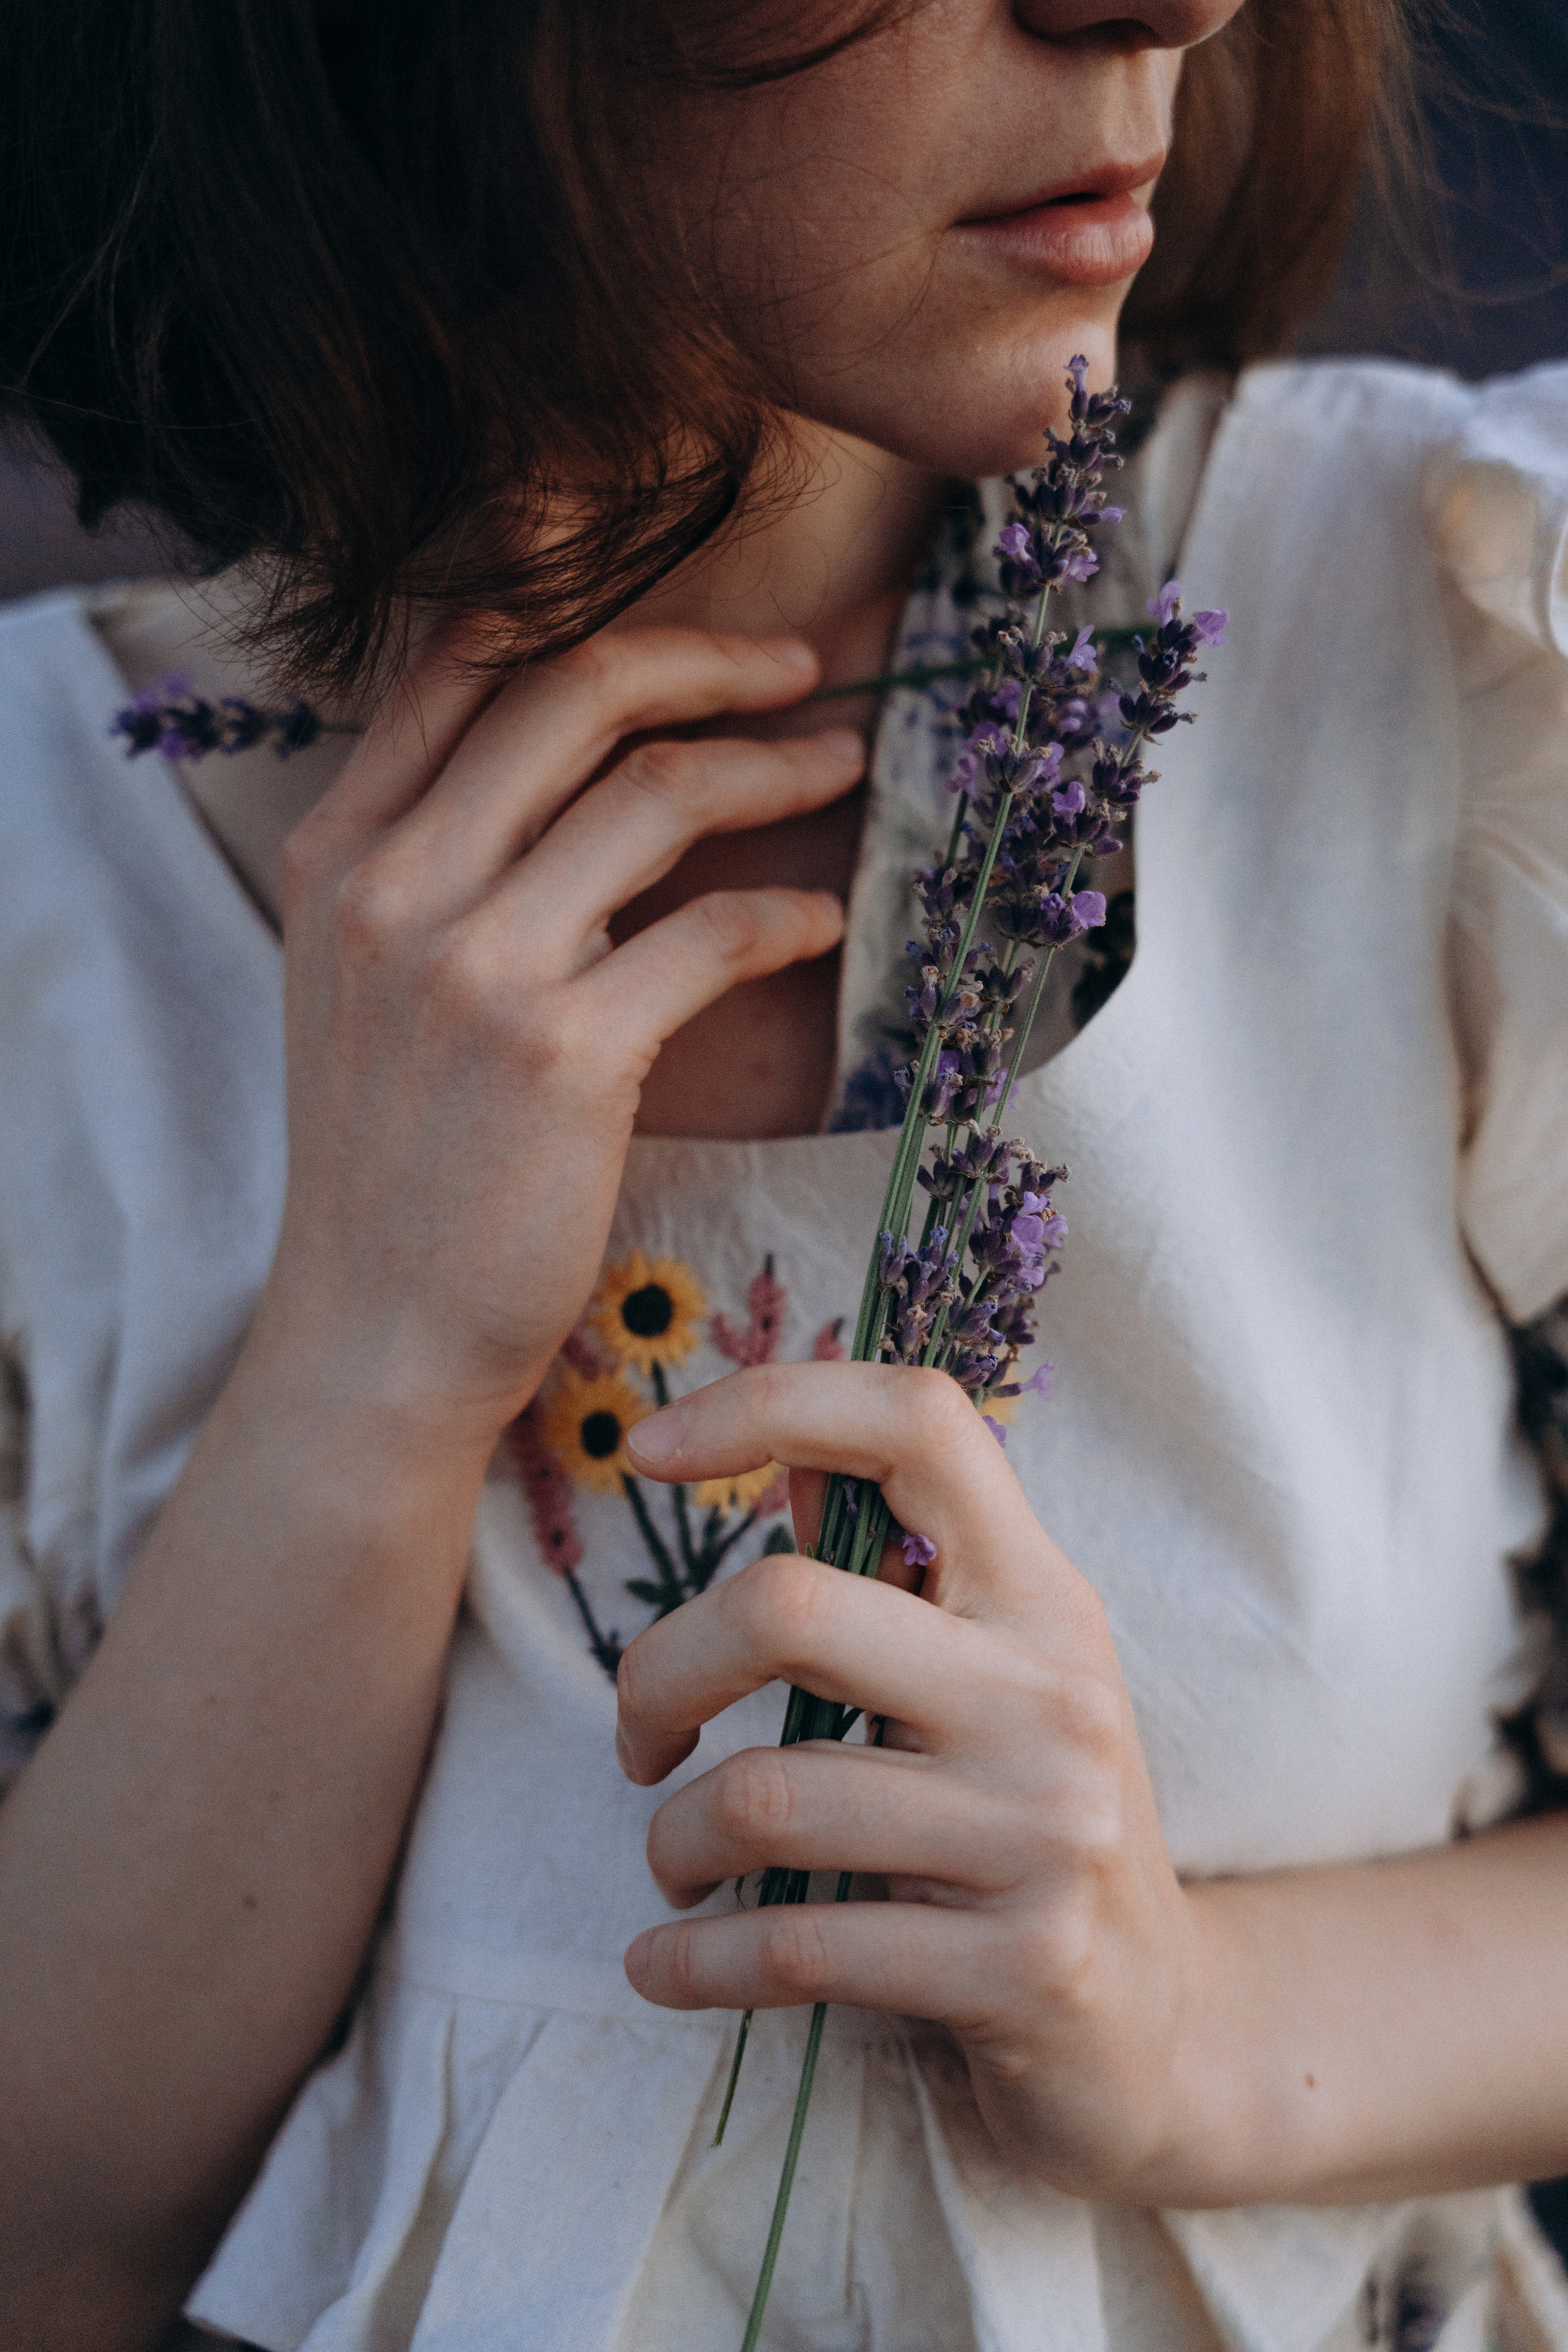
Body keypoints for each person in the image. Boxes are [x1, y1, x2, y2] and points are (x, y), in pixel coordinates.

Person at [2, 2, 1567, 2347]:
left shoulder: (1460, 649)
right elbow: (45, 2240)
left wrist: (1184, 2023)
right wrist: (370, 1365)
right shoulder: (48, 893)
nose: (1166, 6)